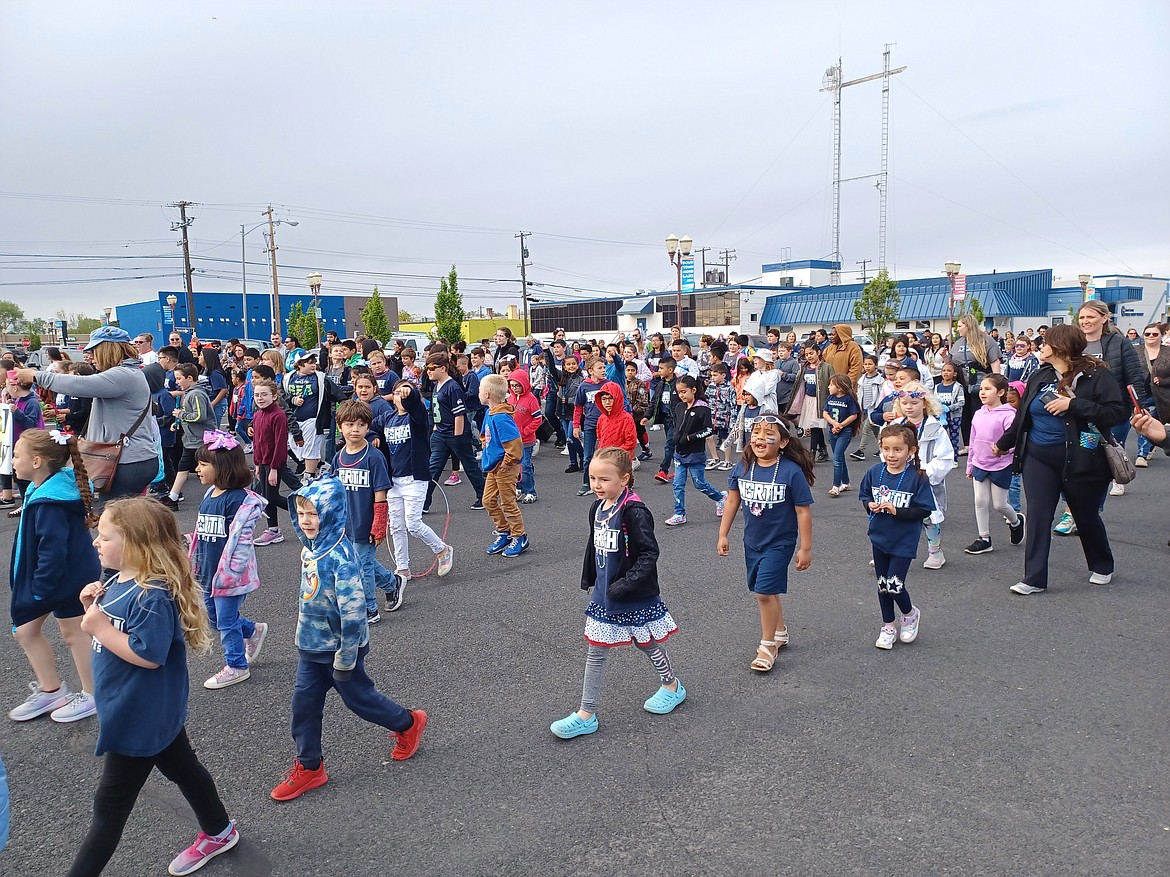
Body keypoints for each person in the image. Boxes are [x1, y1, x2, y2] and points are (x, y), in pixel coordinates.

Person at [68, 498, 238, 877]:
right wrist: (91, 609)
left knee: (108, 811)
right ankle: (220, 831)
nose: (96, 541)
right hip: (145, 707)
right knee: (185, 769)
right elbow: (110, 631)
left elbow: (150, 655)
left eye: (105, 535)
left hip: (139, 715)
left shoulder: (151, 596)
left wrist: (98, 628)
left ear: (136, 545)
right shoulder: (119, 579)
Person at [271, 479, 428, 802]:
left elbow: (354, 613)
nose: (305, 520)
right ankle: (310, 765)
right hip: (311, 648)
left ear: (331, 514)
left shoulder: (341, 559)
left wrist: (346, 657)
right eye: (301, 513)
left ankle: (408, 722)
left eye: (313, 514)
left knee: (361, 700)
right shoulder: (311, 550)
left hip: (341, 651)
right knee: (303, 705)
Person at [550, 447, 684, 739]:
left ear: (625, 479)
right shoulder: (597, 507)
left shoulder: (634, 510)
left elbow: (649, 553)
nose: (597, 485)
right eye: (593, 478)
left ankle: (672, 686)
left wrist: (626, 584)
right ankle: (587, 713)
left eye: (604, 479)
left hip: (632, 592)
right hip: (605, 593)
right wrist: (594, 581)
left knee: (645, 641)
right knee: (596, 651)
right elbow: (595, 548)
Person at [993, 324, 1128, 594]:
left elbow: (1116, 413)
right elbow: (1023, 417)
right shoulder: (1040, 375)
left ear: (1061, 347)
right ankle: (1034, 579)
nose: (1039, 346)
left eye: (1045, 342)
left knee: (1085, 514)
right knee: (1039, 515)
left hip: (1082, 458)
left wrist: (1073, 405)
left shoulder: (1096, 375)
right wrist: (1002, 444)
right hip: (1038, 458)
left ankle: (1102, 564)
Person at [8, 428, 100, 723]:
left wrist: (39, 589)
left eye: (16, 455)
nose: (11, 460)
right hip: (66, 575)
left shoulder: (49, 500)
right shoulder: (47, 490)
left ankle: (91, 694)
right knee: (43, 631)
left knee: (72, 633)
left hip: (64, 578)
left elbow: (52, 550)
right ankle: (53, 691)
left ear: (37, 461)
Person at [717, 413, 814, 672]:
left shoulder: (791, 472)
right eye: (756, 432)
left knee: (763, 592)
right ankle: (780, 632)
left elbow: (803, 511)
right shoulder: (744, 467)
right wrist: (723, 533)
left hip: (780, 542)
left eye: (768, 434)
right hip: (752, 541)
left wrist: (805, 548)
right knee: (765, 590)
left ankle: (768, 645)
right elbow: (732, 501)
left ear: (782, 442)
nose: (760, 437)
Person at [18, 326, 160, 502]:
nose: (91, 357)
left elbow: (78, 385)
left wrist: (35, 376)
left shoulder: (122, 374)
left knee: (114, 521)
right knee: (124, 521)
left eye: (94, 351)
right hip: (131, 459)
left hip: (128, 461)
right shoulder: (127, 373)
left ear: (108, 350)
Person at [190, 431, 268, 690]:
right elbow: (204, 534)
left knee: (224, 621)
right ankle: (251, 631)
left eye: (203, 464)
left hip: (229, 576)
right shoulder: (209, 495)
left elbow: (242, 541)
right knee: (214, 619)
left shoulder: (239, 501)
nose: (197, 469)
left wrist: (231, 573)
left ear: (222, 466)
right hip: (207, 572)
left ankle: (236, 665)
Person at [859, 424, 934, 650]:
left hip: (903, 540)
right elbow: (864, 496)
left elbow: (925, 509)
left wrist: (896, 511)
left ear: (910, 451)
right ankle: (888, 626)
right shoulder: (874, 472)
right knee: (882, 584)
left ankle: (910, 614)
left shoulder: (917, 477)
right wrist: (869, 505)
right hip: (880, 537)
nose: (891, 455)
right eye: (887, 449)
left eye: (898, 450)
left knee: (894, 584)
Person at [332, 399, 401, 621]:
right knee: (360, 562)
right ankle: (392, 582)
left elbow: (381, 493)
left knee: (361, 566)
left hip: (366, 521)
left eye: (361, 425)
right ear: (340, 426)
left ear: (368, 427)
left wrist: (379, 525)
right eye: (350, 425)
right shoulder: (338, 457)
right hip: (346, 522)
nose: (355, 430)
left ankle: (369, 609)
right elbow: (334, 491)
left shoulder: (374, 457)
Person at [381, 381, 453, 587]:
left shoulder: (419, 417)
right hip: (393, 481)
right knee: (396, 526)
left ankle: (442, 549)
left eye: (404, 393)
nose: (400, 397)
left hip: (414, 479)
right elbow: (370, 427)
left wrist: (410, 394)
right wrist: (372, 437)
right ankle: (402, 567)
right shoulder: (387, 418)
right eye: (397, 393)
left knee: (413, 523)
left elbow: (416, 407)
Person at [1076, 300, 1149, 498]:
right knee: (1087, 457)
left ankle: (1117, 477)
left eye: (1090, 317)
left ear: (1104, 318)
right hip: (1082, 411)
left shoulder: (1119, 343)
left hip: (1113, 412)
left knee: (1110, 452)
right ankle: (1082, 508)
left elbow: (1135, 377)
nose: (1085, 321)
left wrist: (1139, 407)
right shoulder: (1075, 343)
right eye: (1082, 317)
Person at [963, 375, 1025, 554]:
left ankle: (1016, 521)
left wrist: (1007, 451)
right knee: (980, 501)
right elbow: (973, 440)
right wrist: (970, 464)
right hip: (979, 464)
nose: (982, 392)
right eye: (981, 389)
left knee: (999, 505)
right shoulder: (978, 413)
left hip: (1000, 465)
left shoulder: (1009, 415)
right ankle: (984, 538)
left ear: (1001, 392)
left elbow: (1015, 441)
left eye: (987, 389)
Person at [423, 352, 486, 512]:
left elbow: (459, 414)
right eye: (427, 368)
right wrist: (437, 427)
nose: (428, 371)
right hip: (440, 434)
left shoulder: (453, 387)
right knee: (432, 468)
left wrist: (458, 436)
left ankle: (484, 496)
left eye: (431, 368)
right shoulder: (436, 385)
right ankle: (423, 503)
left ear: (443, 368)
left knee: (470, 466)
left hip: (455, 434)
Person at [664, 375, 725, 526]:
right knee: (677, 484)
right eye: (679, 392)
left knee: (699, 484)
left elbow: (708, 430)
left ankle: (720, 498)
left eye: (684, 391)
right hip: (679, 454)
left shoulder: (702, 408)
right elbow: (677, 425)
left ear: (694, 390)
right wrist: (675, 438)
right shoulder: (679, 407)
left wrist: (691, 437)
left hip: (695, 454)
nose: (681, 395)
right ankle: (679, 513)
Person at [479, 374, 528, 557]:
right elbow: (485, 433)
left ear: (487, 394)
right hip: (494, 465)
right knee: (488, 500)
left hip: (505, 467)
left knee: (508, 502)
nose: (478, 393)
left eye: (479, 391)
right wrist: (485, 444)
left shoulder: (501, 418)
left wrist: (507, 463)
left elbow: (515, 446)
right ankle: (504, 531)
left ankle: (519, 536)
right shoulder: (489, 413)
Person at [159, 363, 215, 511]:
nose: (176, 382)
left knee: (210, 468)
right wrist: (178, 423)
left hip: (201, 440)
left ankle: (219, 493)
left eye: (179, 378)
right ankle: (173, 497)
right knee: (183, 468)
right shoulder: (189, 393)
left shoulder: (196, 394)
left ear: (189, 378)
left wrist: (181, 415)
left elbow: (199, 416)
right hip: (192, 440)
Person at [950, 314, 1002, 451]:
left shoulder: (986, 340)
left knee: (979, 412)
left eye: (960, 326)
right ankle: (968, 445)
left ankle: (983, 442)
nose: (958, 329)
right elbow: (952, 362)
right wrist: (944, 357)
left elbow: (995, 361)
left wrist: (997, 382)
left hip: (980, 381)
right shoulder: (959, 342)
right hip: (962, 381)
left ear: (968, 326)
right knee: (965, 413)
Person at [250, 378, 289, 546]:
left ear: (274, 396)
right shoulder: (258, 415)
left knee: (271, 496)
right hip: (263, 463)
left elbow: (280, 444)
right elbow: (257, 442)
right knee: (266, 497)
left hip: (274, 463)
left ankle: (307, 511)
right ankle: (273, 529)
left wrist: (274, 468)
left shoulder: (278, 415)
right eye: (257, 395)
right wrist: (257, 463)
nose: (260, 398)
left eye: (264, 394)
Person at [1, 369, 45, 512]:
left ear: (15, 387)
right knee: (18, 476)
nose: (6, 389)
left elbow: (31, 424)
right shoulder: (18, 401)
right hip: (19, 444)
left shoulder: (31, 403)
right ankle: (25, 502)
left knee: (26, 477)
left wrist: (17, 412)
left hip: (29, 445)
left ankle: (30, 502)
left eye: (7, 386)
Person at [788, 342, 833, 463]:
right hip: (808, 399)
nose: (809, 356)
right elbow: (800, 384)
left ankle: (812, 452)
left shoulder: (827, 367)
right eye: (807, 354)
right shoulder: (804, 367)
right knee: (815, 426)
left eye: (811, 353)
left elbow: (832, 383)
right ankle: (823, 450)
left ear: (818, 353)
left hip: (820, 400)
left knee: (815, 426)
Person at [506, 367, 543, 503]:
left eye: (518, 385)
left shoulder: (531, 399)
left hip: (526, 439)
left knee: (526, 466)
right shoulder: (510, 398)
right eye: (512, 385)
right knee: (515, 466)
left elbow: (538, 418)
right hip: (512, 439)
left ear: (524, 384)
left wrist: (526, 431)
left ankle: (530, 491)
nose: (515, 388)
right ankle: (519, 488)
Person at [1136, 322, 1170, 466]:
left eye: (1155, 334)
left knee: (1156, 421)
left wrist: (1163, 380)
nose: (1151, 336)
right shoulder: (1135, 351)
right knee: (1144, 420)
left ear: (1161, 336)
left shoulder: (1167, 352)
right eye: (1147, 334)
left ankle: (1152, 444)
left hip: (1163, 395)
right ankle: (1141, 455)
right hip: (1142, 394)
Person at [574, 356, 609, 496]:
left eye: (604, 367)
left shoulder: (608, 384)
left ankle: (607, 481)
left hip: (606, 425)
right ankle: (586, 483)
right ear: (591, 371)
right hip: (590, 425)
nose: (603, 370)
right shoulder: (584, 386)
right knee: (588, 455)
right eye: (600, 368)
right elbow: (578, 407)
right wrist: (576, 425)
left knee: (605, 455)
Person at [823, 373, 860, 496]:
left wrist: (841, 425)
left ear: (840, 387)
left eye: (831, 385)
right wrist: (834, 424)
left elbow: (854, 415)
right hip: (832, 430)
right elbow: (825, 413)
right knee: (839, 457)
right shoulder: (830, 398)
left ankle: (836, 485)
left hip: (845, 432)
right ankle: (846, 482)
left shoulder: (848, 399)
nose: (829, 387)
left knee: (837, 458)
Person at [850, 354, 885, 462]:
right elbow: (859, 393)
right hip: (864, 408)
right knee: (875, 431)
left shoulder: (880, 380)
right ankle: (882, 449)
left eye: (870, 364)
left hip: (875, 409)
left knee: (866, 428)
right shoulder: (862, 379)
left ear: (876, 365)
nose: (867, 366)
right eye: (865, 364)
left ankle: (861, 451)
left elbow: (881, 395)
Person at [595, 380, 638, 460]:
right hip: (605, 458)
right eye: (604, 399)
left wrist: (614, 454)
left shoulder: (626, 418)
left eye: (611, 398)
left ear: (617, 398)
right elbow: (600, 438)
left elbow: (631, 441)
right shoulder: (602, 418)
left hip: (621, 459)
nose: (607, 402)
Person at [559, 354, 586, 473]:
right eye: (568, 364)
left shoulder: (581, 380)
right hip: (563, 411)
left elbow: (581, 397)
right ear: (564, 366)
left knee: (572, 436)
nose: (571, 366)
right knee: (568, 439)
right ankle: (573, 462)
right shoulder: (562, 379)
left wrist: (569, 400)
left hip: (574, 412)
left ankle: (583, 457)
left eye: (573, 364)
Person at [934, 360, 965, 459]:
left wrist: (949, 408)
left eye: (948, 371)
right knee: (939, 437)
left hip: (954, 417)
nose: (945, 373)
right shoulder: (937, 387)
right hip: (940, 417)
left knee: (954, 439)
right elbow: (934, 401)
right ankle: (940, 457)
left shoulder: (958, 387)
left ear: (954, 374)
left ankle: (954, 459)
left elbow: (961, 402)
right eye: (943, 370)